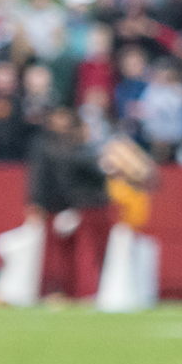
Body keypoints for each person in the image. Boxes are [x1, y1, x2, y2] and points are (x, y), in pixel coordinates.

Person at [25, 107, 112, 301]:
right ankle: (54, 290)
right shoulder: (44, 144)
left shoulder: (78, 143)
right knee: (54, 253)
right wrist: (36, 202)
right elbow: (39, 176)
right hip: (54, 205)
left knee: (80, 252)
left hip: (76, 205)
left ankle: (80, 291)